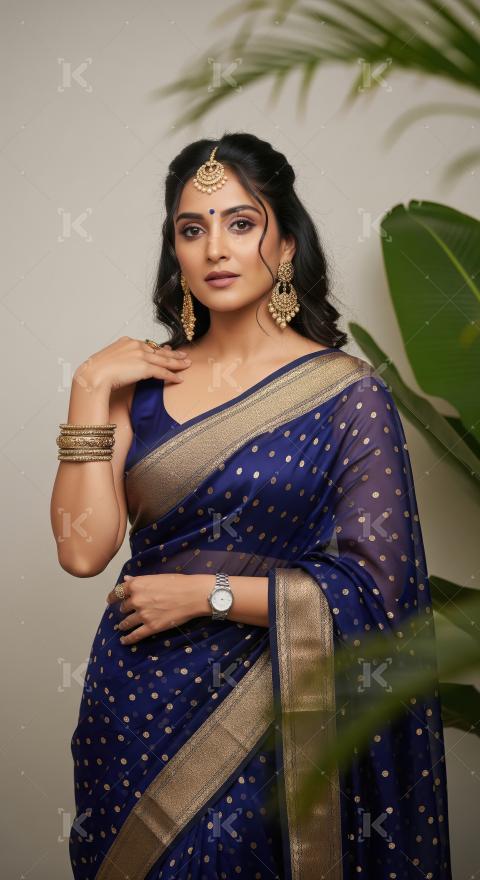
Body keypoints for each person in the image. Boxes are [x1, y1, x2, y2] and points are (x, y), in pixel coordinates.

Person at [50, 132, 452, 879]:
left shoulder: (348, 395)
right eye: (191, 230)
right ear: (175, 251)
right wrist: (87, 388)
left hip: (278, 714)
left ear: (286, 244)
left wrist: (207, 594)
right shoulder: (136, 387)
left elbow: (379, 590)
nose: (215, 249)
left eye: (241, 223)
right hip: (136, 706)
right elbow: (81, 551)